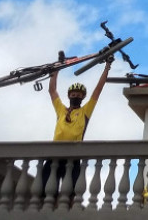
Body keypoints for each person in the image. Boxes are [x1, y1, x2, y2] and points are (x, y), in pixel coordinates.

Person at [42, 59, 112, 200]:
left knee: (71, 193)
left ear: (83, 97)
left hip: (73, 157)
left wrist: (107, 67)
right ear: (69, 96)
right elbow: (52, 91)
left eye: (79, 95)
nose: (76, 97)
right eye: (73, 95)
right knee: (46, 190)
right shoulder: (61, 110)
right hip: (54, 155)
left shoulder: (85, 111)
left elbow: (97, 90)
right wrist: (56, 70)